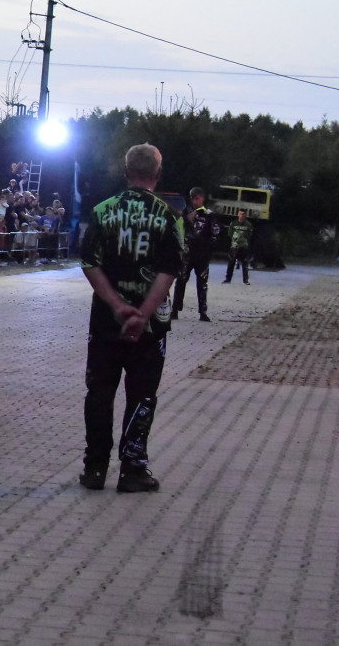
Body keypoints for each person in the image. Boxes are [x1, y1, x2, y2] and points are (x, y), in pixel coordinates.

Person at [77, 143, 184, 493]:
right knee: (143, 394)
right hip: (151, 328)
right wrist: (142, 313)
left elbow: (89, 262)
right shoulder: (169, 217)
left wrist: (116, 305)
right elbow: (170, 271)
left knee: (99, 392)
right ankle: (132, 469)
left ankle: (94, 469)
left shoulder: (103, 211)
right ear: (157, 174)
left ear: (125, 173)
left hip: (106, 323)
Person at [172, 187, 217, 321]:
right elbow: (177, 228)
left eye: (197, 198)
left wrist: (209, 250)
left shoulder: (209, 214)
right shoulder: (186, 212)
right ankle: (175, 309)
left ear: (202, 198)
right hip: (187, 254)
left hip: (202, 255)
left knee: (202, 283)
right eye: (193, 198)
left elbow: (215, 233)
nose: (195, 201)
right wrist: (187, 219)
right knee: (181, 280)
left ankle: (202, 312)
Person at [224, 209, 253, 285]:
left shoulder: (248, 224)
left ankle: (245, 280)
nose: (242, 216)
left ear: (245, 215)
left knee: (245, 263)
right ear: (238, 215)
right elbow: (230, 233)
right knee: (231, 263)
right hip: (234, 246)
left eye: (243, 214)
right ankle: (228, 279)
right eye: (240, 214)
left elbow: (250, 235)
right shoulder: (233, 223)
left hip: (244, 246)